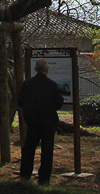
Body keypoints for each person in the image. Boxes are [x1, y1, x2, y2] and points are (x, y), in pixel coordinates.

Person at [17, 57, 64, 185]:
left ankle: (25, 175)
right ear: (47, 70)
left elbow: (20, 100)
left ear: (35, 69)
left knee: (29, 149)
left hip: (32, 123)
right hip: (49, 123)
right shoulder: (53, 85)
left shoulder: (27, 84)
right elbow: (59, 104)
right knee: (47, 151)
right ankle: (44, 179)